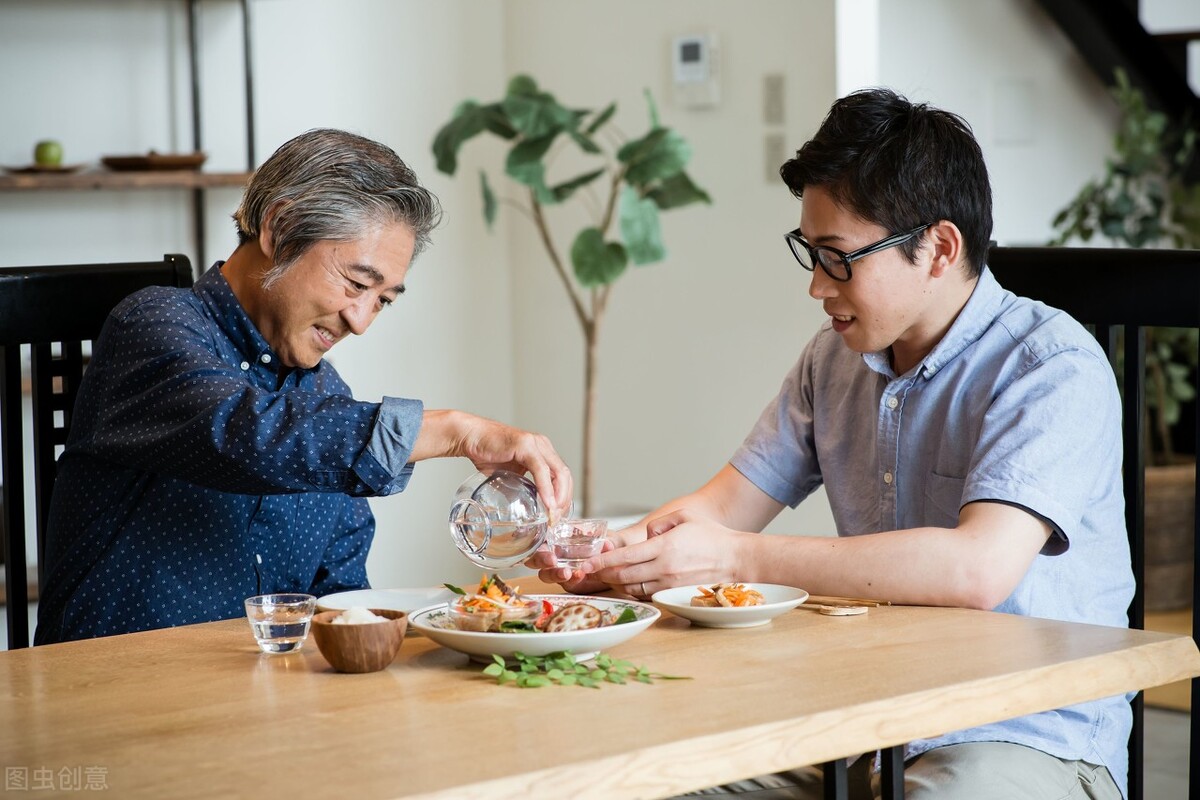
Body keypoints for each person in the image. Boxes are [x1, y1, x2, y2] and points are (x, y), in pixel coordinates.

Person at [537, 89, 1132, 799]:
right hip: (863, 720)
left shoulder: (1050, 367)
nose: (818, 286)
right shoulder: (833, 360)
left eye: (838, 258)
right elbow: (722, 509)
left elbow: (977, 571)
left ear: (938, 248)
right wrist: (617, 556)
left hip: (1026, 732)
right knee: (643, 777)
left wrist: (734, 557)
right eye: (809, 254)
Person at [37, 128, 572, 644]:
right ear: (279, 229)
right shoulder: (152, 326)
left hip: (267, 708)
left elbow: (342, 598)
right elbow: (248, 435)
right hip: (111, 699)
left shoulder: (326, 400)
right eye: (357, 284)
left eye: (382, 300)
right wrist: (453, 432)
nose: (361, 320)